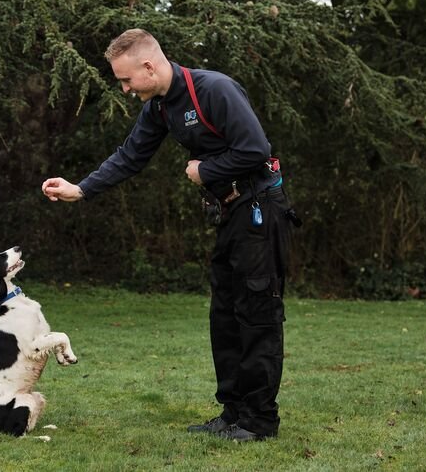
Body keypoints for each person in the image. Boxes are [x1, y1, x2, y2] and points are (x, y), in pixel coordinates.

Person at [41, 28, 294, 442]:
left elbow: (256, 149)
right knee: (225, 317)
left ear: (148, 65)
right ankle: (233, 415)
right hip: (229, 214)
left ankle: (259, 421)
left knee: (256, 315)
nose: (124, 89)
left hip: (259, 212)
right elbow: (130, 156)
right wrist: (81, 188)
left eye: (126, 80)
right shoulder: (160, 106)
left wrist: (205, 172)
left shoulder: (214, 89)